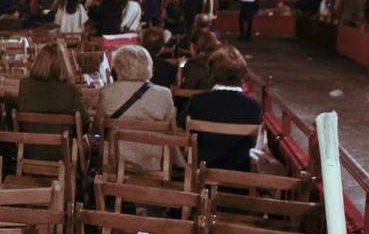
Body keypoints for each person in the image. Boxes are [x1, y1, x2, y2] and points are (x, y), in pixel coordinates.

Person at [182, 46, 262, 172]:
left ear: (211, 74)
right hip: (239, 175)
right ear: (243, 75)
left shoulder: (198, 101)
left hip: (201, 172)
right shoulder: (255, 106)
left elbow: (182, 125)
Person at [99, 44, 176, 172]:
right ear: (148, 65)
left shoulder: (107, 92)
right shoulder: (164, 94)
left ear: (117, 66)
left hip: (116, 160)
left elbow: (98, 129)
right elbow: (171, 131)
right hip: (153, 161)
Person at [17, 42, 88, 161]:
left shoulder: (25, 85)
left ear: (38, 61)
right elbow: (84, 126)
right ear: (64, 64)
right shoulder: (70, 90)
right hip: (63, 154)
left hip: (30, 152)